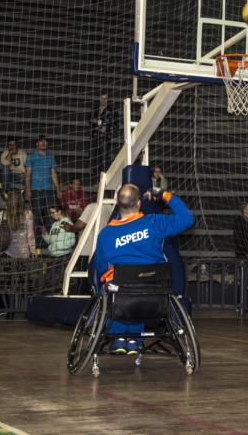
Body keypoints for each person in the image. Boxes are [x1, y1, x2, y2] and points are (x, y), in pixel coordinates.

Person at [91, 184, 194, 355]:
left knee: (114, 284)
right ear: (139, 203)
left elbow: (101, 266)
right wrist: (163, 194)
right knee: (141, 284)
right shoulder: (154, 222)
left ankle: (119, 339)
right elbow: (187, 219)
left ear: (118, 204)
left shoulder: (106, 234)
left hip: (121, 297)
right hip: (154, 295)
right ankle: (134, 340)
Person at [24, 135, 61, 232]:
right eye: (40, 141)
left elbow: (53, 174)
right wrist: (28, 189)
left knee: (49, 215)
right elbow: (28, 174)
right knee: (37, 215)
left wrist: (57, 189)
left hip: (48, 190)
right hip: (36, 190)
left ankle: (50, 238)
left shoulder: (50, 157)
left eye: (44, 141)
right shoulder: (31, 156)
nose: (43, 143)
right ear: (37, 144)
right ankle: (37, 239)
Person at [2, 191, 36, 259]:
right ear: (21, 200)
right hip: (23, 252)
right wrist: (33, 250)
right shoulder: (28, 214)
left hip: (7, 251)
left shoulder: (3, 214)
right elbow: (30, 234)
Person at [91, 92, 116, 178]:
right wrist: (96, 125)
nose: (103, 100)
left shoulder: (112, 110)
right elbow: (89, 120)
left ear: (108, 99)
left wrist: (107, 128)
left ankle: (104, 179)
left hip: (106, 138)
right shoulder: (95, 109)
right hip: (95, 136)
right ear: (99, 98)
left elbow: (115, 124)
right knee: (95, 158)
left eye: (105, 98)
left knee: (105, 159)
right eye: (102, 98)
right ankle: (96, 179)